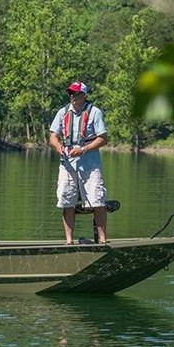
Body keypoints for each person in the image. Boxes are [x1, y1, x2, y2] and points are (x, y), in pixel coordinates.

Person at [48, 81, 109, 244]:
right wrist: (58, 146)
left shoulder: (95, 112)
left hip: (90, 164)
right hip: (67, 164)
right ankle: (69, 241)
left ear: (84, 95)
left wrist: (83, 149)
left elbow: (103, 139)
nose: (72, 97)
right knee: (67, 200)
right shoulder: (62, 112)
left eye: (75, 94)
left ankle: (102, 240)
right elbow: (53, 135)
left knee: (97, 200)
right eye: (70, 93)